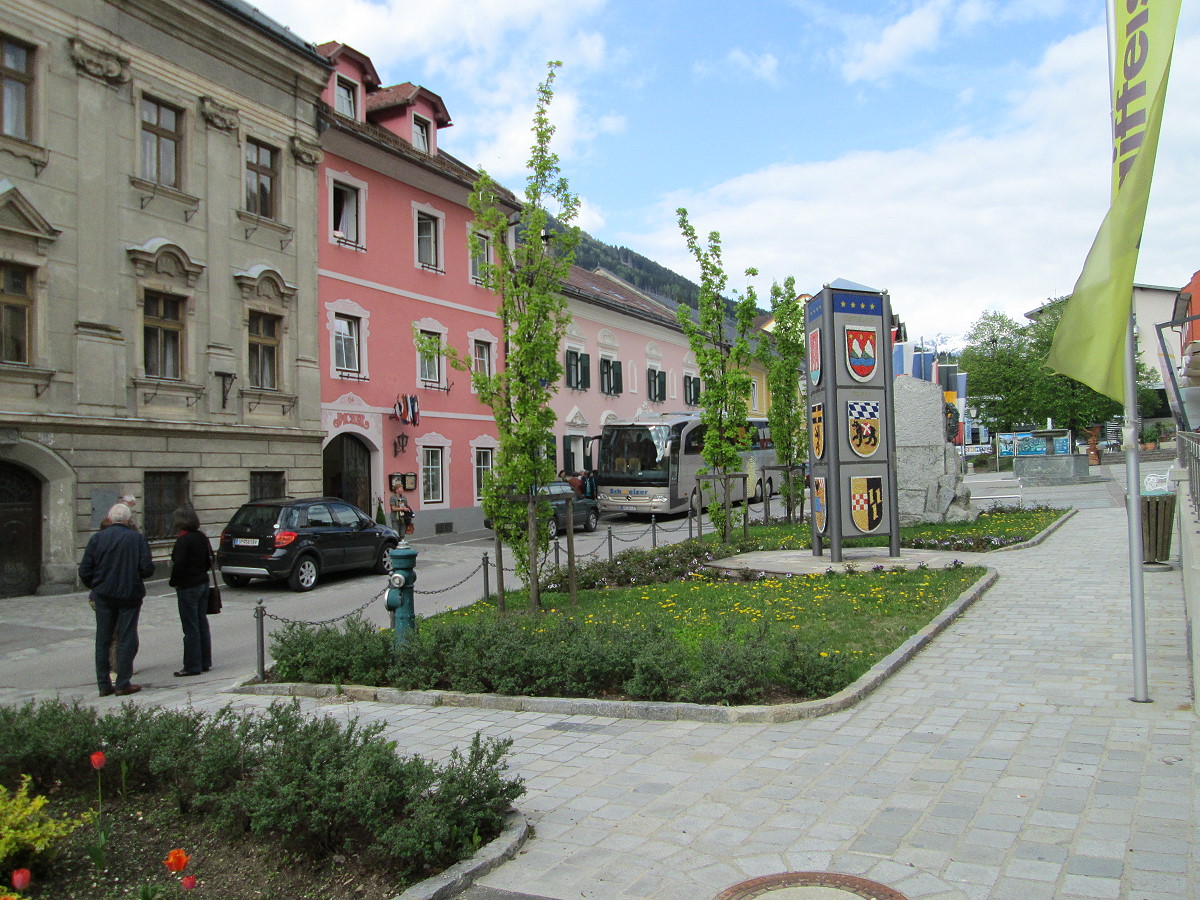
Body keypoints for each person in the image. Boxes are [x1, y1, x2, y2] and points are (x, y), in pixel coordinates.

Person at [78, 503, 154, 697]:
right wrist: (134, 576)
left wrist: (97, 585)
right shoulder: (137, 539)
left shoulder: (98, 538)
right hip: (129, 594)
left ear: (110, 518)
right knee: (126, 637)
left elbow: (85, 570)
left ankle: (104, 684)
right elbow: (147, 569)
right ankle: (122, 683)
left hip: (104, 594)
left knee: (103, 638)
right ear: (128, 520)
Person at [169, 506, 212, 677]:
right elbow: (209, 561)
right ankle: (204, 661)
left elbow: (178, 565)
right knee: (201, 623)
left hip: (188, 586)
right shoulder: (201, 537)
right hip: (203, 583)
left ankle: (192, 665)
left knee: (190, 627)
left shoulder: (184, 540)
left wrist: (174, 582)